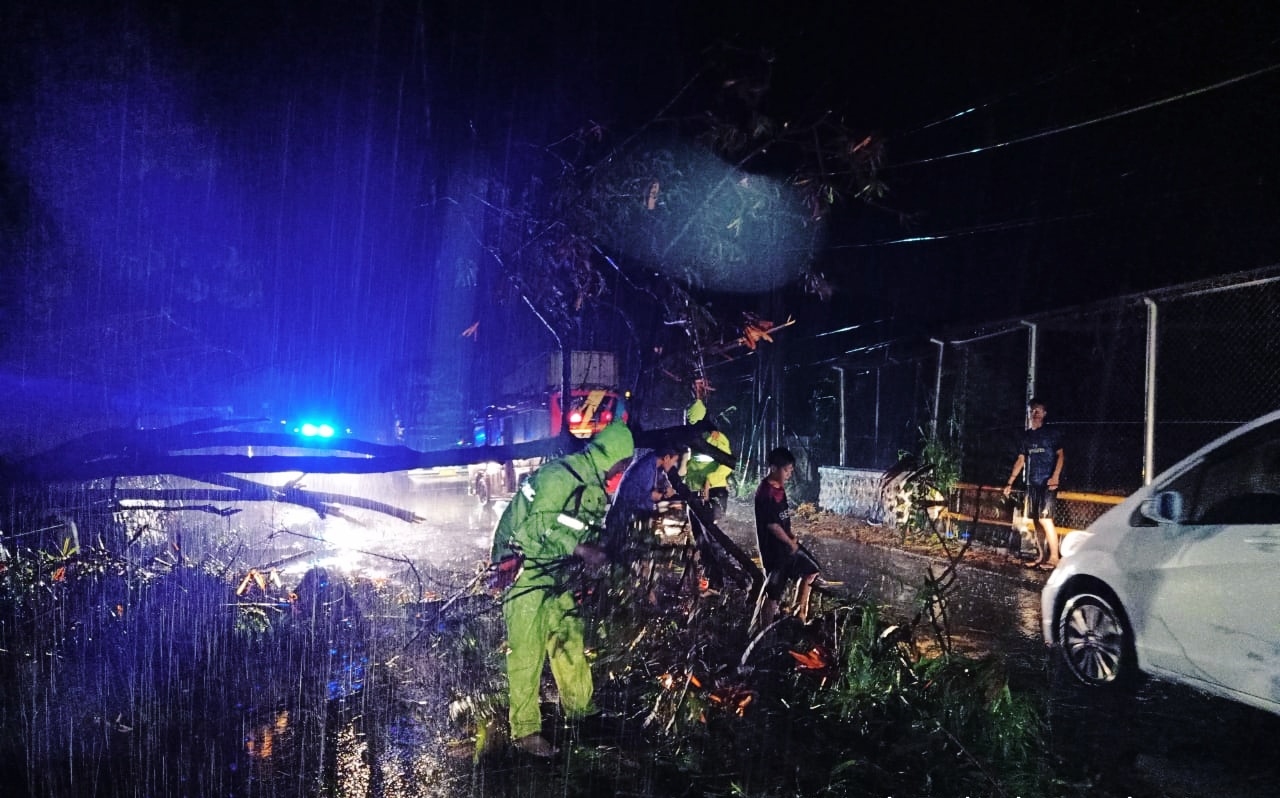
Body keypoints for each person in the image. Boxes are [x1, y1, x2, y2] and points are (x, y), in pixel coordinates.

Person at [489, 419, 634, 757]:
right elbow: (535, 527)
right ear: (614, 456)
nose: (622, 471)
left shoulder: (593, 485)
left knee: (569, 636)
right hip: (522, 567)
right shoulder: (559, 477)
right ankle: (525, 733)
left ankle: (580, 711)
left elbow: (579, 528)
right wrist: (580, 549)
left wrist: (602, 551)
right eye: (623, 464)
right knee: (527, 649)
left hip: (553, 570)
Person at [753, 447, 820, 627]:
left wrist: (790, 536)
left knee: (811, 570)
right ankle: (764, 632)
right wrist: (789, 542)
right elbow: (772, 525)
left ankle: (800, 615)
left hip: (787, 545)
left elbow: (782, 519)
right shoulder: (765, 493)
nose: (789, 474)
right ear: (774, 468)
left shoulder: (779, 489)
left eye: (790, 470)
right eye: (786, 470)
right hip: (773, 550)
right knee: (773, 592)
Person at [1002, 397, 1065, 569]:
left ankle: (1054, 557)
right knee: (1036, 520)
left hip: (1047, 483)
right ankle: (1041, 556)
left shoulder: (1051, 434)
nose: (1035, 413)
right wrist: (1010, 482)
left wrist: (1055, 476)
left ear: (1044, 413)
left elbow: (1061, 455)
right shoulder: (1027, 437)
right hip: (1032, 483)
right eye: (1033, 411)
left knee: (1046, 519)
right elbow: (1020, 460)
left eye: (1038, 410)